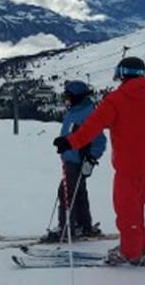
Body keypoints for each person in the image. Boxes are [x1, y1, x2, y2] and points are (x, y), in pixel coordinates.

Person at [53, 57, 145, 265]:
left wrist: (70, 142)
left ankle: (130, 254)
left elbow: (91, 127)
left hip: (127, 168)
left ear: (121, 74)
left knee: (126, 212)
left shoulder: (116, 99)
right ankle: (138, 247)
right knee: (136, 209)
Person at [47, 80, 106, 241]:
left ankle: (67, 229)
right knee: (78, 193)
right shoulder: (74, 111)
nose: (66, 99)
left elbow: (100, 140)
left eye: (68, 96)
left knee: (66, 192)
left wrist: (91, 158)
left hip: (79, 160)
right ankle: (83, 225)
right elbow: (71, 133)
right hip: (71, 158)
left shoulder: (87, 114)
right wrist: (63, 142)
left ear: (77, 96)